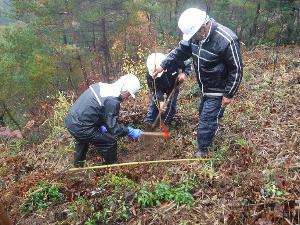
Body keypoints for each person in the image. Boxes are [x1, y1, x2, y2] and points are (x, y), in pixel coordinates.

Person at [153, 8, 243, 157]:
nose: (193, 38)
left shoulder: (226, 40)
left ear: (203, 27)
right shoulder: (195, 38)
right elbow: (179, 51)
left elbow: (237, 69)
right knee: (203, 113)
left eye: (194, 34)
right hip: (205, 87)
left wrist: (228, 93)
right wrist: (164, 64)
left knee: (206, 120)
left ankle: (202, 151)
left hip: (218, 88)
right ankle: (215, 120)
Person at [65, 74, 143, 167]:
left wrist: (102, 125)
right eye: (128, 94)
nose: (127, 97)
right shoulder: (112, 100)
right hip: (81, 126)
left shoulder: (101, 86)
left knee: (82, 140)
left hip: (72, 120)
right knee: (110, 142)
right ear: (124, 90)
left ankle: (77, 167)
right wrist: (129, 131)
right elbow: (114, 129)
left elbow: (97, 110)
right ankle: (110, 169)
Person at [145, 52, 192, 128]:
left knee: (171, 104)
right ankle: (150, 122)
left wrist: (184, 73)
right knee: (155, 101)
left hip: (173, 84)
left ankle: (165, 124)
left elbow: (188, 63)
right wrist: (161, 101)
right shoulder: (150, 74)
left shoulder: (173, 60)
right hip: (160, 86)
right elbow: (154, 89)